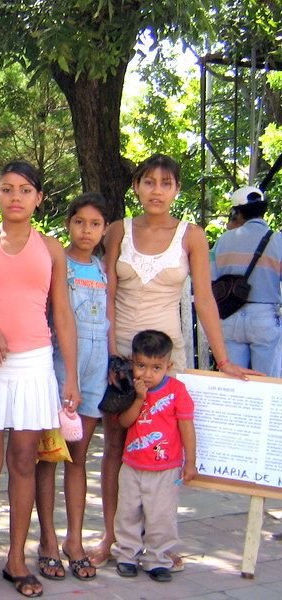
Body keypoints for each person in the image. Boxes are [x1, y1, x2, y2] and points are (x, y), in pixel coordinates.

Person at [94, 153, 256, 569]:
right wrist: (112, 353)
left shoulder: (192, 236)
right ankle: (114, 536)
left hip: (168, 358)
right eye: (148, 182)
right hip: (123, 352)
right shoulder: (117, 231)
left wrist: (223, 359)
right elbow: (107, 294)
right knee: (117, 444)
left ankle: (160, 545)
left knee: (163, 448)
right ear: (136, 187)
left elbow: (205, 299)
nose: (157, 191)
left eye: (166, 183)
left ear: (176, 190)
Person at [0, 160, 80, 598]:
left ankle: (16, 558)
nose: (16, 196)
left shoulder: (51, 247)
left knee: (24, 462)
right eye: (7, 188)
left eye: (25, 189)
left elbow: (64, 316)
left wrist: (69, 374)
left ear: (38, 198)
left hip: (35, 365)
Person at [35, 193, 110, 582]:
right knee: (48, 456)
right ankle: (47, 540)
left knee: (78, 459)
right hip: (60, 373)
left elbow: (110, 319)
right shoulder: (54, 263)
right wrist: (66, 378)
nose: (87, 230)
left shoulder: (102, 269)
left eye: (95, 224)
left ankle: (75, 541)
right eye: (80, 222)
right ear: (68, 223)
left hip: (95, 375)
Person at [112, 329, 197, 583]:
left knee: (161, 516)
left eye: (156, 367)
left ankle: (158, 559)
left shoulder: (177, 391)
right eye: (141, 366)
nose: (147, 374)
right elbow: (125, 422)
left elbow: (186, 426)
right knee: (127, 513)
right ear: (132, 362)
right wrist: (139, 398)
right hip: (132, 465)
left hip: (166, 467)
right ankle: (127, 555)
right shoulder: (131, 389)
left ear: (168, 366)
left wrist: (189, 462)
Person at [211, 185, 282, 377]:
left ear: (236, 212)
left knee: (234, 382)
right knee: (269, 383)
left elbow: (210, 278)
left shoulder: (223, 241)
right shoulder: (278, 240)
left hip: (230, 315)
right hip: (265, 317)